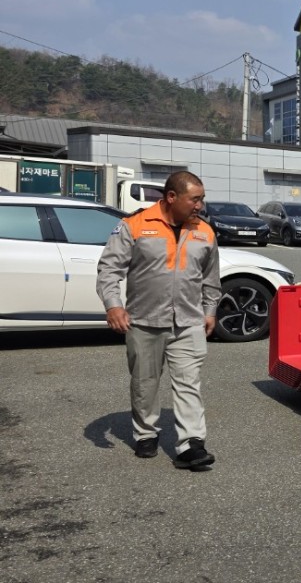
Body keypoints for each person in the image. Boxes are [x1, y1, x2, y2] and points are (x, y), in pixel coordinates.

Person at [96, 171, 219, 471]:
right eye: (195, 199)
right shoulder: (135, 224)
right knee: (145, 382)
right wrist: (114, 306)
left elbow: (211, 278)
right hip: (144, 321)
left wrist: (210, 310)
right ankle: (146, 433)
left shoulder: (204, 231)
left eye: (202, 199)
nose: (200, 206)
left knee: (189, 383)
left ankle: (191, 444)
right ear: (172, 197)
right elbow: (109, 269)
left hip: (188, 322)